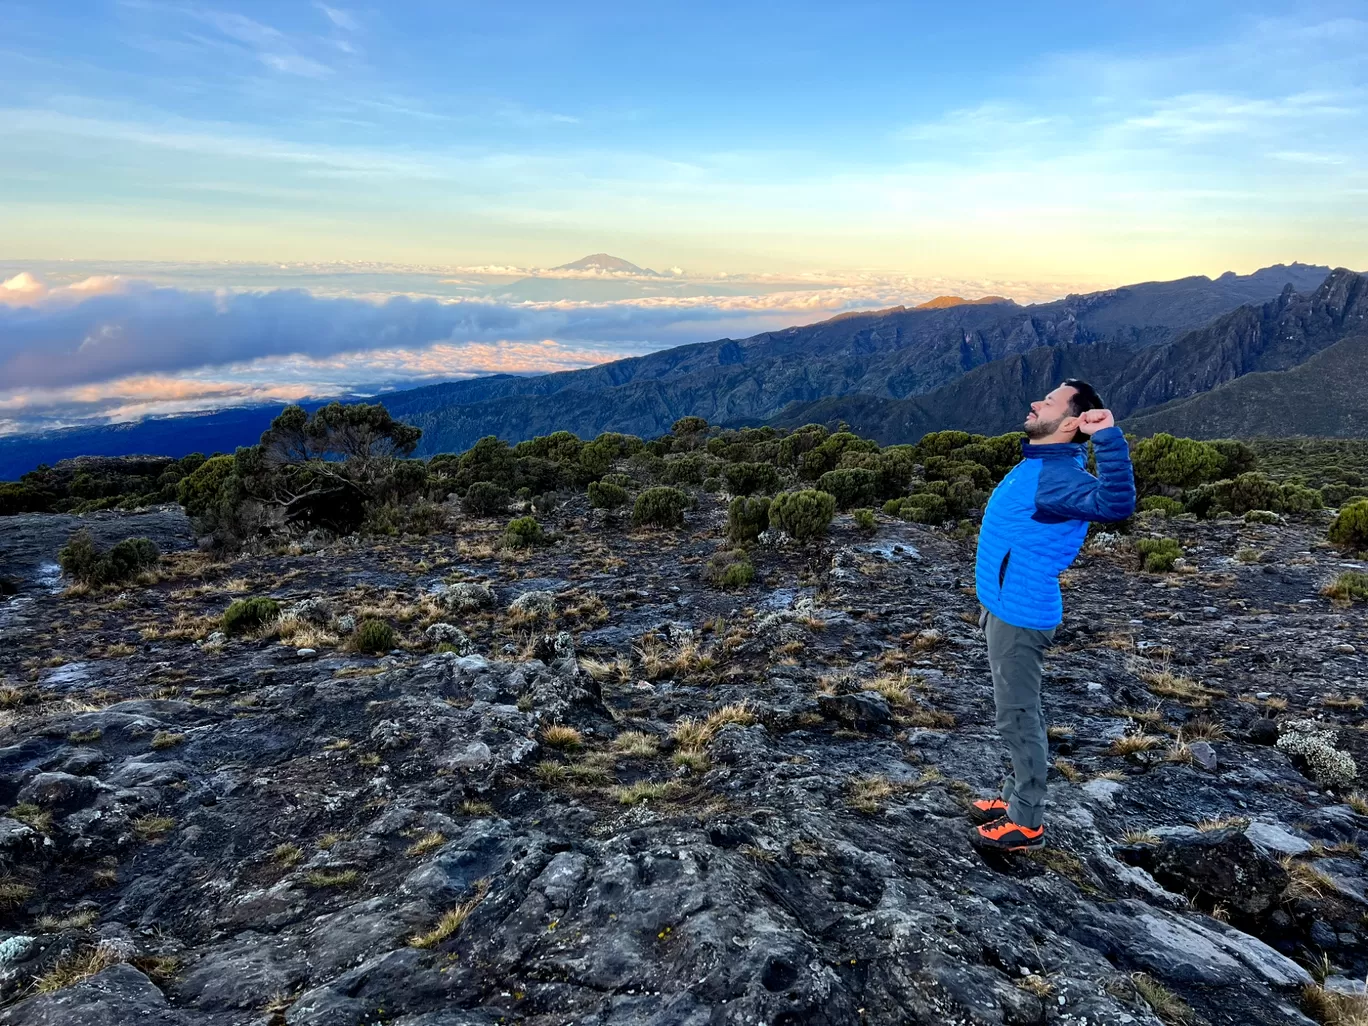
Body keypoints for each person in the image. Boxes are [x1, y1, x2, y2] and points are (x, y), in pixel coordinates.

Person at [968, 380, 1136, 851]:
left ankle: (1026, 822)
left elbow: (1115, 504)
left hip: (1020, 617)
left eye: (1049, 401)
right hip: (1003, 606)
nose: (1035, 402)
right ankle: (1014, 797)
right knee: (1018, 711)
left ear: (1067, 423)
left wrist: (1106, 434)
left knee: (1017, 716)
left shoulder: (1060, 477)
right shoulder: (1041, 463)